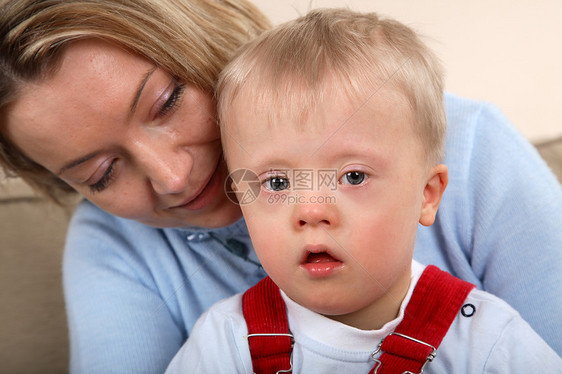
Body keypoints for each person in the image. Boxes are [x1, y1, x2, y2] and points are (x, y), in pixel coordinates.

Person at [0, 0, 560, 372]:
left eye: (167, 102)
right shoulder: (126, 256)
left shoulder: (469, 146)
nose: (172, 176)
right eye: (101, 173)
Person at [166, 9, 561, 372]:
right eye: (278, 183)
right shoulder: (225, 342)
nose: (311, 210)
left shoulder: (488, 341)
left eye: (353, 177)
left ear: (427, 194)